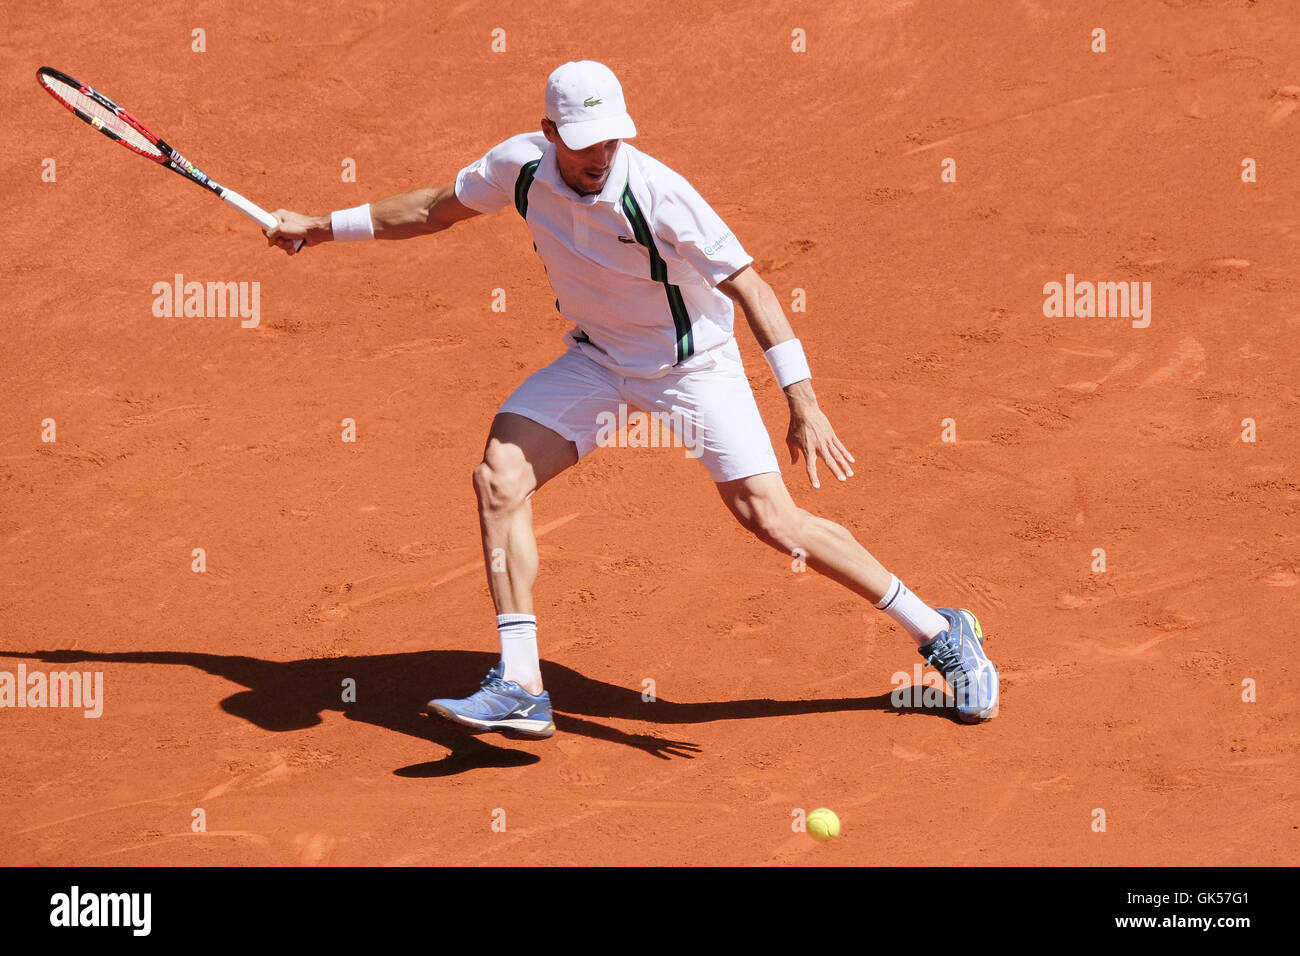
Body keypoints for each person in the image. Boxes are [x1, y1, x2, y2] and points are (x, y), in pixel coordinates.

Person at [267, 60, 999, 738]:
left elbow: (751, 285)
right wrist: (322, 227)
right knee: (500, 476)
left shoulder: (660, 195)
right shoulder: (517, 167)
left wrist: (801, 399)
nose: (600, 156)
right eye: (584, 142)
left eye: (612, 139)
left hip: (692, 368)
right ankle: (521, 683)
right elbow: (433, 209)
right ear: (550, 133)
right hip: (599, 360)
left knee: (771, 519)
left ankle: (939, 631)